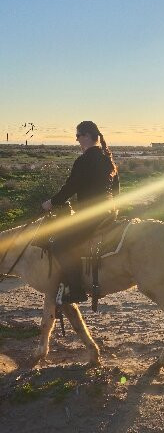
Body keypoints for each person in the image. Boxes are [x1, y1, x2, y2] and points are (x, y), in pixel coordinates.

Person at [42, 121, 120, 303]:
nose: (76, 140)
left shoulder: (84, 160)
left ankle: (77, 290)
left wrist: (51, 203)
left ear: (86, 136)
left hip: (91, 216)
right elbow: (116, 191)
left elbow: (71, 187)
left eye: (78, 136)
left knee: (60, 245)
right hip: (108, 213)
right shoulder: (108, 159)